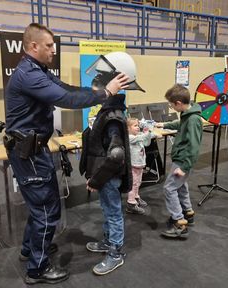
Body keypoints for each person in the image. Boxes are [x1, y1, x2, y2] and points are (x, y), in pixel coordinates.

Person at [4, 23, 129, 285]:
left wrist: (97, 92)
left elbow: (69, 89)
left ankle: (30, 249)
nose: (53, 50)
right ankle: (37, 269)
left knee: (40, 206)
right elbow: (67, 100)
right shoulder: (29, 75)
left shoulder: (38, 70)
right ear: (33, 46)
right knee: (47, 209)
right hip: (30, 153)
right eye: (49, 46)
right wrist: (106, 93)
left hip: (32, 150)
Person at [79, 51, 144, 275]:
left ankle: (115, 253)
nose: (96, 81)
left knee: (114, 214)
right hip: (104, 177)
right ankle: (108, 242)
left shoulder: (113, 116)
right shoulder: (109, 111)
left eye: (101, 76)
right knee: (108, 211)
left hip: (107, 177)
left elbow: (116, 156)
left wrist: (96, 180)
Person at [156, 84, 203, 239]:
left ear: (178, 103)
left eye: (171, 104)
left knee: (169, 189)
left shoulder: (193, 119)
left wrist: (184, 166)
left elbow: (194, 146)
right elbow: (180, 125)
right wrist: (164, 124)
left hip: (183, 160)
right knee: (181, 186)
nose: (170, 106)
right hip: (181, 158)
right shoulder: (187, 114)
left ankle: (179, 223)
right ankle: (188, 213)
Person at [126, 118, 152, 215]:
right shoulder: (130, 137)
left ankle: (136, 197)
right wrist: (148, 132)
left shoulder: (138, 135)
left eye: (138, 125)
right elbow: (142, 138)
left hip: (140, 164)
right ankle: (131, 204)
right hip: (133, 165)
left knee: (138, 182)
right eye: (135, 126)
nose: (138, 127)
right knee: (133, 184)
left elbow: (147, 142)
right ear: (128, 128)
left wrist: (148, 133)